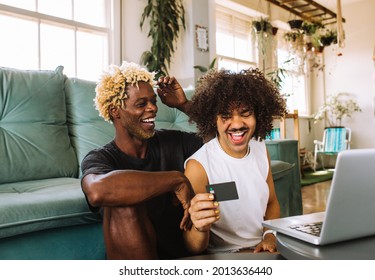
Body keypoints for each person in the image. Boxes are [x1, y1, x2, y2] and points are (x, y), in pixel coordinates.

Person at [81, 61, 205, 259]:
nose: (153, 109)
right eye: (141, 104)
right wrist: (175, 180)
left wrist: (184, 105)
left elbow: (222, 140)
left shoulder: (173, 142)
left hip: (183, 256)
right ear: (115, 111)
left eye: (153, 101)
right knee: (123, 200)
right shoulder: (101, 157)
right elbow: (97, 191)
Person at [185, 68, 287, 254]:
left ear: (258, 115)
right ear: (212, 119)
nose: (238, 124)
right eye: (226, 115)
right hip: (228, 258)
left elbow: (272, 203)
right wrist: (200, 227)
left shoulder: (260, 148)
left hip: (264, 251)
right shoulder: (198, 167)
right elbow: (192, 247)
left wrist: (269, 236)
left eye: (245, 113)